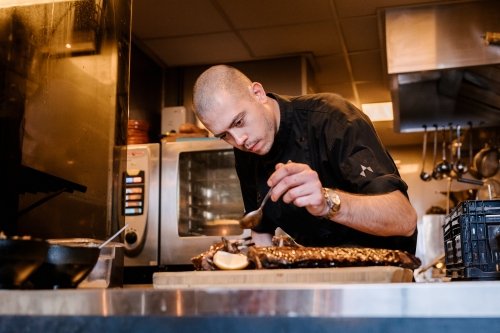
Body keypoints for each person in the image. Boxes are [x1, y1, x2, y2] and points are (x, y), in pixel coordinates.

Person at [193, 64, 418, 253]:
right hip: (322, 287)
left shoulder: (332, 118)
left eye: (239, 122)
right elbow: (261, 232)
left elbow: (404, 220)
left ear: (258, 93)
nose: (239, 140)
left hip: (381, 282)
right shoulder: (246, 149)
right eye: (224, 135)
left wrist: (326, 202)